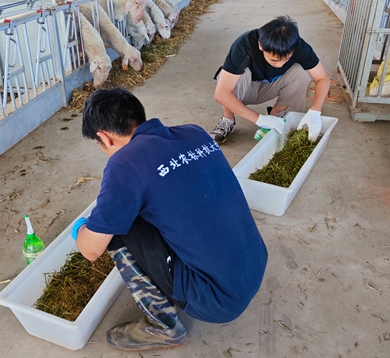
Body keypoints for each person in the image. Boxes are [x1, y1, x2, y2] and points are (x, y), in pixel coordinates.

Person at [73, 87, 268, 351]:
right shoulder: (194, 132)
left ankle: (164, 326)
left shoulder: (124, 164)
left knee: (116, 226)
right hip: (253, 267)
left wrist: (81, 229)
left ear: (104, 138)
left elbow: (91, 250)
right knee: (142, 203)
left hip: (216, 301)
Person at [210, 15, 330, 144]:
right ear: (260, 46)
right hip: (244, 89)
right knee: (232, 74)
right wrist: (258, 119)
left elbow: (323, 78)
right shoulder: (244, 46)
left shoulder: (300, 47)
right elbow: (221, 94)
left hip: (270, 87)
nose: (279, 65)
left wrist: (315, 111)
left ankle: (276, 115)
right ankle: (228, 119)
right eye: (273, 59)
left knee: (302, 72)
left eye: (286, 59)